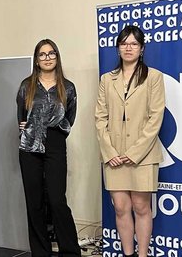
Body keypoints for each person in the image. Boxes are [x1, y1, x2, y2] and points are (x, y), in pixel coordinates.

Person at [95, 25, 165, 257]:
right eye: (124, 43)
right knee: (121, 208)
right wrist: (109, 151)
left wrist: (135, 152)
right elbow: (100, 118)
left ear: (141, 48)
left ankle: (142, 254)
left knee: (141, 207)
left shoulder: (153, 77)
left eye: (134, 43)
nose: (128, 47)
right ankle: (128, 254)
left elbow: (156, 118)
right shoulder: (107, 79)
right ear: (118, 48)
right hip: (113, 155)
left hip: (142, 156)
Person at [16, 39, 80, 256]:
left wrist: (55, 131)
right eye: (42, 54)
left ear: (57, 57)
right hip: (29, 148)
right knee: (34, 203)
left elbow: (70, 118)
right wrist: (27, 127)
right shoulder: (27, 86)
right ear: (36, 60)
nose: (47, 58)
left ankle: (70, 252)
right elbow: (21, 117)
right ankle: (41, 252)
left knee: (56, 200)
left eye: (51, 53)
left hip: (55, 144)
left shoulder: (68, 87)